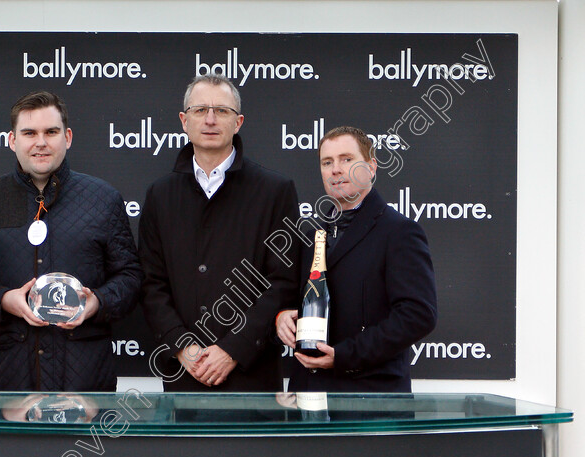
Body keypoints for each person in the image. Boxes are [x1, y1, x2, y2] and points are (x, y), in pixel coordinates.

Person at [0, 91, 142, 391]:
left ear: (67, 137)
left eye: (51, 132)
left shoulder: (104, 199)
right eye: (29, 133)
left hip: (85, 379)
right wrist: (6, 301)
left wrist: (96, 302)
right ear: (12, 140)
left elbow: (131, 277)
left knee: (81, 442)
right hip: (9, 379)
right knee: (11, 441)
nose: (40, 142)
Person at [138, 74, 300, 391]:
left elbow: (283, 281)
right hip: (184, 373)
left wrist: (232, 350)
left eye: (222, 111)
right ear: (184, 121)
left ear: (238, 122)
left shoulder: (274, 191)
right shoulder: (160, 194)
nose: (210, 119)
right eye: (200, 110)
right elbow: (150, 282)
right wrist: (182, 346)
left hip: (252, 374)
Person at [276, 126, 437, 392]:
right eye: (327, 162)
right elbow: (289, 297)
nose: (336, 169)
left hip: (371, 401)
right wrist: (281, 316)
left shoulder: (399, 231)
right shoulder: (310, 235)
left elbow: (418, 315)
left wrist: (344, 356)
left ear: (372, 167)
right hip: (308, 396)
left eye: (347, 159)